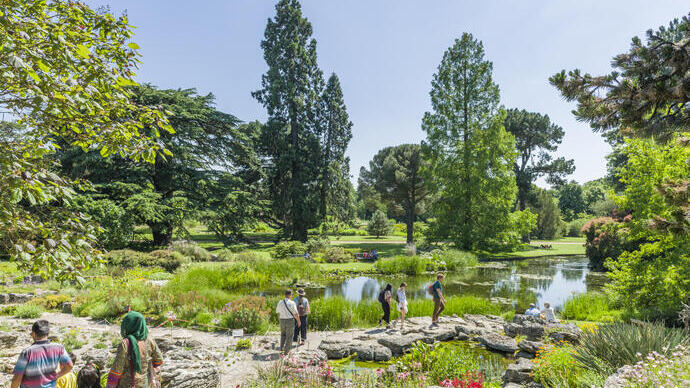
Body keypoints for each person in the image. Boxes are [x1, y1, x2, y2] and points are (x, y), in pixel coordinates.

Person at [106, 311, 163, 388]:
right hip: (145, 384)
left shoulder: (125, 343)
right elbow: (159, 360)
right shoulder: (149, 340)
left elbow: (117, 369)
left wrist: (110, 386)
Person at [11, 320, 73, 388]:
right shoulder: (59, 348)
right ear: (48, 333)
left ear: (34, 334)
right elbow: (69, 366)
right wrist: (57, 376)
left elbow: (16, 379)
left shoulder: (27, 352)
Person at [276, 289, 300, 355]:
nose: (292, 296)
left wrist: (281, 318)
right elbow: (296, 314)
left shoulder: (280, 302)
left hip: (282, 320)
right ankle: (286, 352)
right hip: (290, 320)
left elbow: (277, 311)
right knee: (289, 336)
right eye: (292, 294)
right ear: (289, 295)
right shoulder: (292, 303)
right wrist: (298, 321)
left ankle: (281, 350)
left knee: (283, 335)